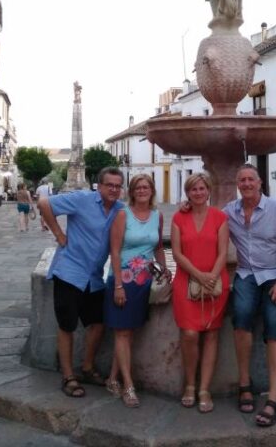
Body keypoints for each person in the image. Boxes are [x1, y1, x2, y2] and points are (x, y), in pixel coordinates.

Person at [37, 167, 125, 398]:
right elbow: (44, 203)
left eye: (118, 186)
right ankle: (68, 376)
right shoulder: (82, 199)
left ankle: (87, 367)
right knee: (67, 325)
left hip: (94, 277)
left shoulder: (120, 209)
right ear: (99, 186)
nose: (114, 189)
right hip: (70, 271)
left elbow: (143, 213)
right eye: (110, 185)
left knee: (98, 323)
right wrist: (59, 235)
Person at [225, 164, 276, 428]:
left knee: (275, 325)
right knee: (241, 317)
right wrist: (188, 206)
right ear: (238, 184)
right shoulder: (229, 212)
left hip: (274, 274)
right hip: (246, 273)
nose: (246, 184)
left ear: (260, 183)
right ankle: (244, 384)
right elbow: (207, 221)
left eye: (250, 179)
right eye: (241, 180)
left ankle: (274, 396)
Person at [104, 174, 169, 408]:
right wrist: (118, 285)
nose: (142, 191)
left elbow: (158, 247)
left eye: (146, 187)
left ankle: (112, 379)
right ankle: (128, 386)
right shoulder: (123, 215)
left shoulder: (157, 216)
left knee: (127, 333)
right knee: (122, 333)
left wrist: (164, 269)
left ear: (152, 191)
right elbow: (115, 251)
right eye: (138, 187)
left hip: (144, 282)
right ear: (132, 192)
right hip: (123, 281)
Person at [171, 172, 229, 413]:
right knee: (190, 334)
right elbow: (176, 253)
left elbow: (223, 252)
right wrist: (199, 275)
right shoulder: (178, 217)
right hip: (186, 281)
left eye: (202, 188)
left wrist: (212, 276)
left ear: (208, 191)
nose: (198, 193)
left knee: (212, 334)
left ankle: (204, 389)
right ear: (188, 193)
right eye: (193, 189)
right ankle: (190, 384)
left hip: (215, 282)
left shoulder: (220, 217)